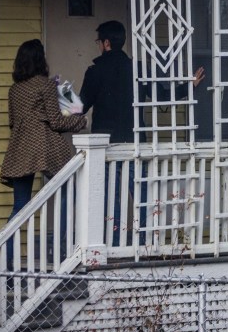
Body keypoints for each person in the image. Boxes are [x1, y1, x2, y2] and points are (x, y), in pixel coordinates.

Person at [80, 20, 204, 246]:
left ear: (107, 43)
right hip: (135, 141)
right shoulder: (138, 70)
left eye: (99, 41)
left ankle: (114, 243)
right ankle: (148, 243)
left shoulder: (95, 71)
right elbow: (161, 97)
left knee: (111, 200)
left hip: (106, 146)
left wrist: (60, 99)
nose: (99, 45)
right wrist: (189, 85)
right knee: (142, 196)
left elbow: (79, 107)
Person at [0, 39, 87, 267]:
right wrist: (80, 120)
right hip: (44, 146)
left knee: (20, 207)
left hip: (20, 148)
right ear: (41, 60)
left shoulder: (14, 90)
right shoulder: (45, 85)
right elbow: (57, 121)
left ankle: (7, 262)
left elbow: (12, 122)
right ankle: (60, 253)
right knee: (66, 195)